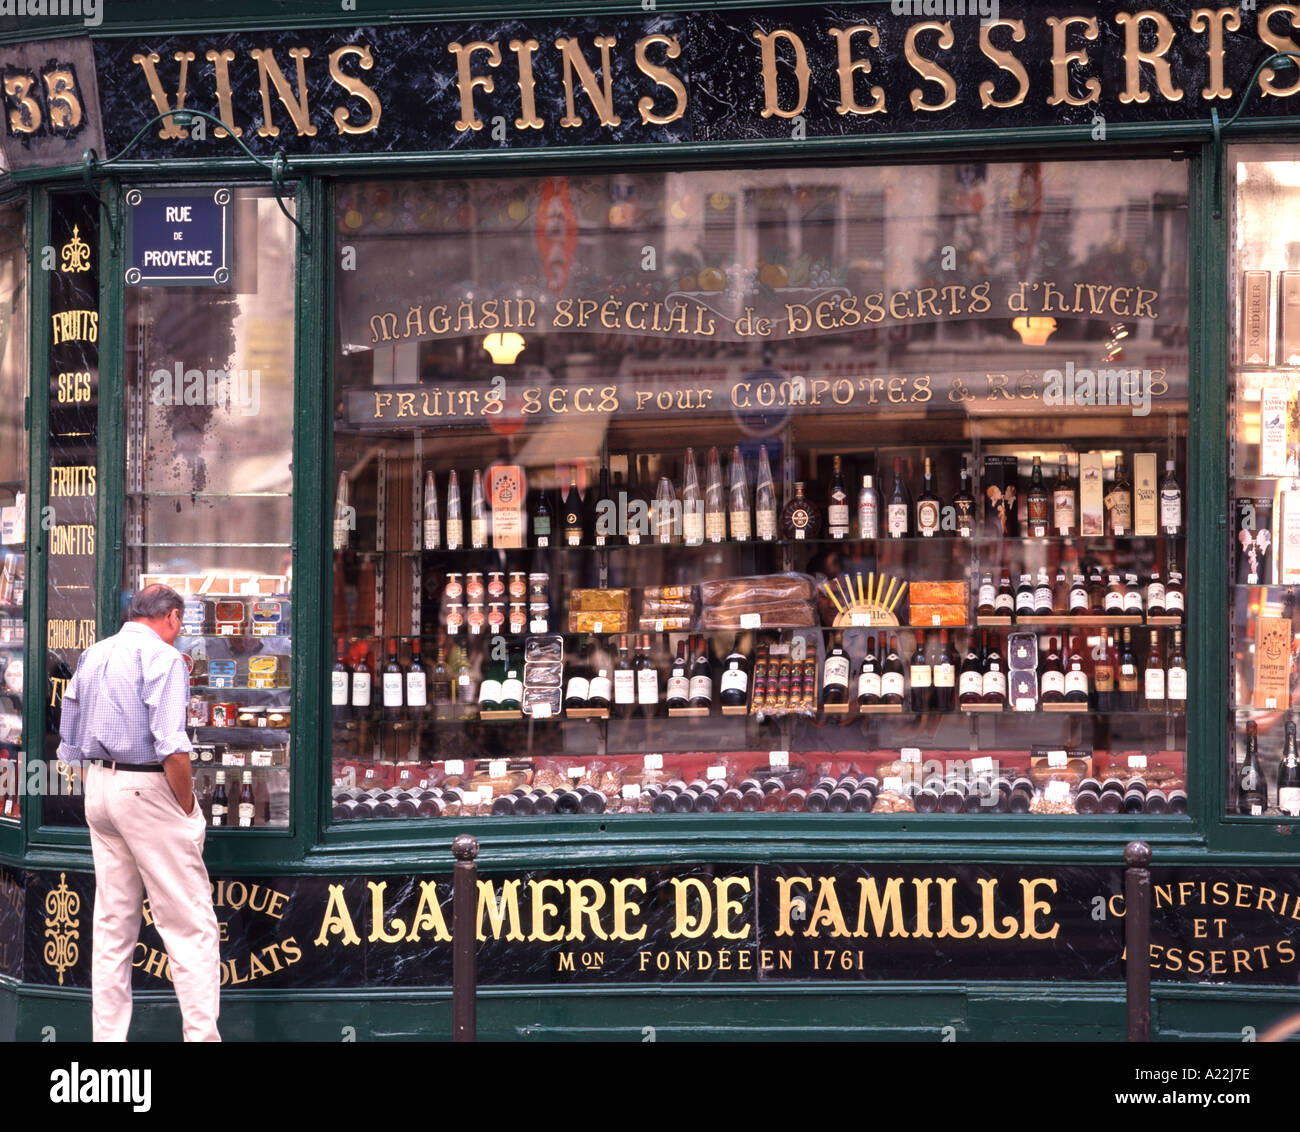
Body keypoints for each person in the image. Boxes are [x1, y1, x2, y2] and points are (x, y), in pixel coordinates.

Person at [57, 584, 220, 1042]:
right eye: (180, 624)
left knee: (112, 925)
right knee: (190, 926)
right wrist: (186, 806)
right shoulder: (164, 658)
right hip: (147, 788)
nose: (179, 632)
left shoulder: (95, 652)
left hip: (101, 786)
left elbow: (67, 730)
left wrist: (98, 777)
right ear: (169, 617)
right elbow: (173, 746)